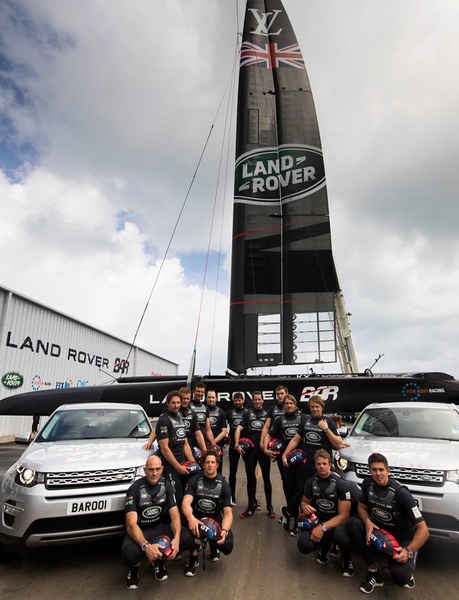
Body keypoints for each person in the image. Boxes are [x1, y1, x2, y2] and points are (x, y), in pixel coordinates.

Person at [348, 452, 429, 594]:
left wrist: (408, 551)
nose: (378, 473)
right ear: (370, 471)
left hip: (402, 538)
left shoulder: (401, 493)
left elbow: (423, 530)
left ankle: (406, 565)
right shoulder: (367, 484)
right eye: (374, 469)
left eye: (381, 469)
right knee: (354, 523)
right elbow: (361, 507)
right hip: (380, 531)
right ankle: (373, 571)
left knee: (400, 576)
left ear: (388, 470)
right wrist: (367, 521)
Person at [122, 455, 194, 589]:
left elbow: (175, 516)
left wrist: (177, 538)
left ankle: (159, 560)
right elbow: (130, 524)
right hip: (141, 530)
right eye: (150, 470)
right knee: (129, 554)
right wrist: (146, 547)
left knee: (186, 537)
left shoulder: (166, 485)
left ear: (162, 469)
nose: (154, 473)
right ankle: (134, 568)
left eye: (157, 469)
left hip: (159, 528)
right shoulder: (135, 489)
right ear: (145, 470)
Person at [282, 394, 346, 535]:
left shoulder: (328, 422)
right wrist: (285, 454)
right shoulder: (305, 420)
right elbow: (296, 439)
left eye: (317, 407)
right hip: (306, 463)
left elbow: (339, 444)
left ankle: (321, 523)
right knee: (303, 493)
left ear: (322, 407)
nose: (314, 409)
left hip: (323, 464)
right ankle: (297, 520)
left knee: (324, 493)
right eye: (312, 407)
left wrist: (326, 429)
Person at [297, 450, 353, 575]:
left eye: (324, 463)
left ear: (330, 464)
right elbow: (304, 501)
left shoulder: (341, 484)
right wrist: (305, 506)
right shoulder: (310, 482)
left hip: (336, 523)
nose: (321, 466)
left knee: (341, 536)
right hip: (318, 521)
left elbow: (344, 516)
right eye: (318, 464)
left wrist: (322, 528)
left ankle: (346, 559)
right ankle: (325, 547)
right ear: (315, 465)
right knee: (303, 544)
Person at [182, 449, 234, 575]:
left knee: (227, 547)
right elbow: (186, 503)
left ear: (217, 464)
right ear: (203, 464)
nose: (210, 465)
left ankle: (213, 544)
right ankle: (193, 555)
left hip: (215, 519)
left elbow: (228, 514)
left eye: (212, 462)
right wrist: (190, 518)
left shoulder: (224, 485)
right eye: (207, 462)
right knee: (182, 534)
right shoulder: (194, 480)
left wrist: (224, 531)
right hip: (197, 518)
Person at [264, 394, 305, 528]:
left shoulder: (303, 418)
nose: (289, 406)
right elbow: (269, 435)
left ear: (295, 404)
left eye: (291, 403)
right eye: (286, 403)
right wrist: (265, 448)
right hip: (285, 459)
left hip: (300, 458)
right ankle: (290, 514)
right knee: (288, 486)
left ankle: (294, 513)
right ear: (284, 405)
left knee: (301, 488)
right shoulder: (279, 420)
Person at [234, 391, 275, 519]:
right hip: (250, 452)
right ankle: (251, 506)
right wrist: (236, 445)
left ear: (263, 401)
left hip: (263, 451)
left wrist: (273, 449)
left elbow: (272, 433)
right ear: (253, 401)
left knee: (266, 478)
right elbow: (238, 429)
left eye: (259, 399)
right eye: (255, 399)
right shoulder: (247, 414)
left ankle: (269, 506)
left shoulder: (268, 414)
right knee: (250, 478)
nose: (257, 401)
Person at [155, 390, 195, 506]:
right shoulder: (164, 420)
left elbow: (185, 444)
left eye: (178, 402)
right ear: (168, 404)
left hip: (183, 462)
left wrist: (192, 462)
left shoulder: (180, 418)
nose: (176, 405)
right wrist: (177, 467)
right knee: (176, 496)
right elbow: (164, 448)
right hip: (171, 465)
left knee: (187, 494)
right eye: (173, 403)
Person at [226, 392, 248, 505]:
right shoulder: (229, 413)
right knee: (232, 472)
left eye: (239, 400)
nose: (237, 402)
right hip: (233, 445)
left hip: (246, 445)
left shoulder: (247, 413)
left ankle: (252, 500)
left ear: (243, 400)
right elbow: (225, 428)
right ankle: (232, 497)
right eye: (235, 400)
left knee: (250, 472)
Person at [179, 386, 207, 455]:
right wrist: (150, 442)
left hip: (189, 445)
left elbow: (198, 433)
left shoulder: (192, 413)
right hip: (175, 447)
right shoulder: (171, 411)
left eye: (187, 398)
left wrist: (205, 452)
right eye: (184, 398)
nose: (186, 401)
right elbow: (157, 428)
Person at [205, 389, 228, 473]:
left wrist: (213, 443)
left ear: (216, 398)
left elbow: (224, 431)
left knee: (218, 470)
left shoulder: (221, 412)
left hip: (217, 445)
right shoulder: (202, 411)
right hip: (204, 446)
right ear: (206, 398)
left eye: (213, 397)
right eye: (209, 397)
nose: (211, 399)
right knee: (205, 469)